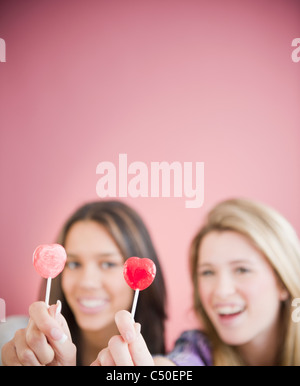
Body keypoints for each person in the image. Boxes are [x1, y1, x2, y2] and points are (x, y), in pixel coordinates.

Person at [92, 198, 300, 366]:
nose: (221, 291)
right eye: (207, 272)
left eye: (242, 269)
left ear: (282, 282)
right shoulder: (197, 348)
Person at [1, 200, 167, 366]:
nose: (87, 282)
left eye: (108, 264)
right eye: (74, 264)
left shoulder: (168, 365)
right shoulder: (11, 340)